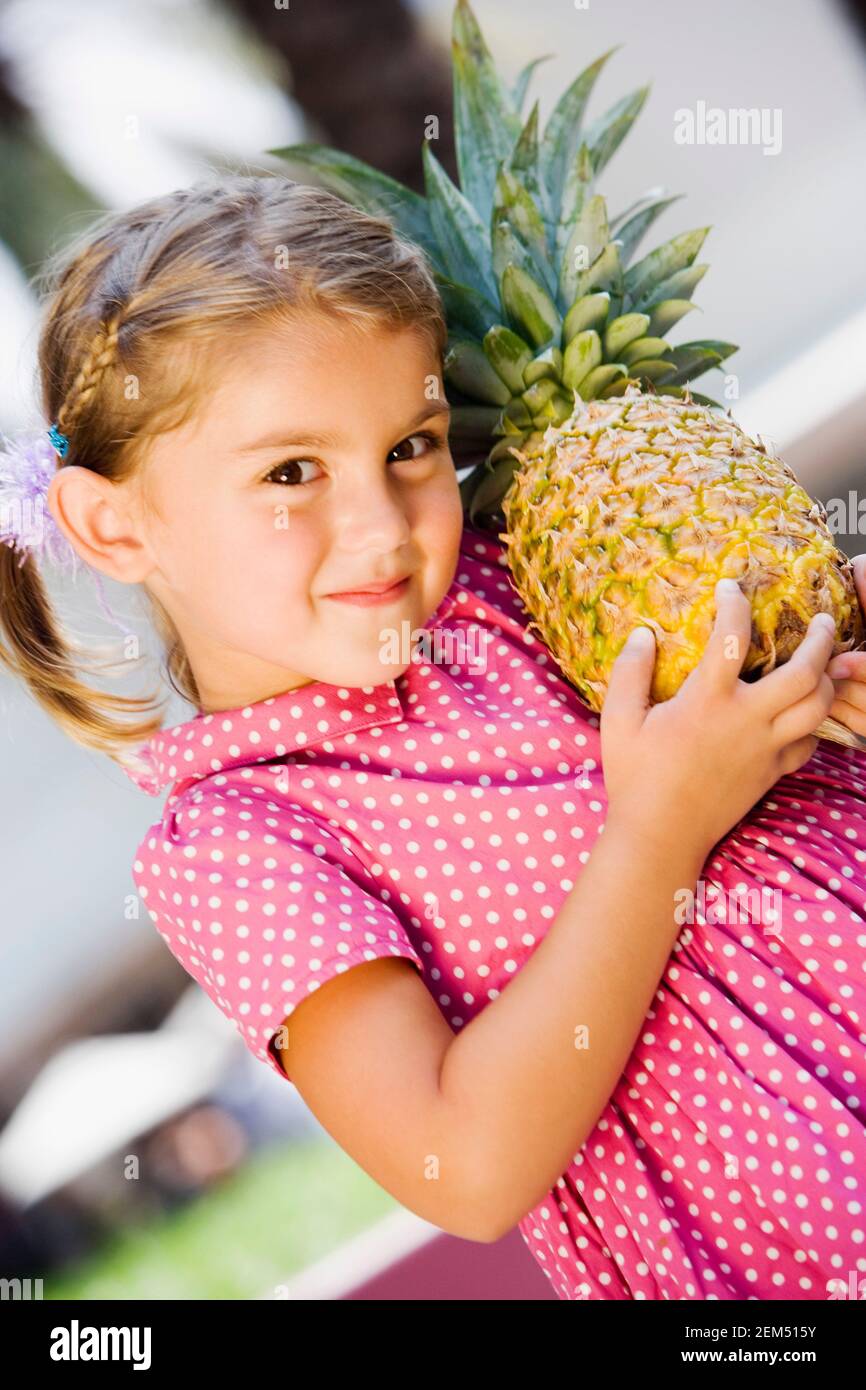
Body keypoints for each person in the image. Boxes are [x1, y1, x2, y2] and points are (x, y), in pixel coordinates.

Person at [3, 174, 865, 1301]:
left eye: (409, 446)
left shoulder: (534, 571)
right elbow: (460, 1166)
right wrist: (659, 834)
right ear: (114, 523)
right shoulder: (242, 840)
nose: (379, 525)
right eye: (291, 472)